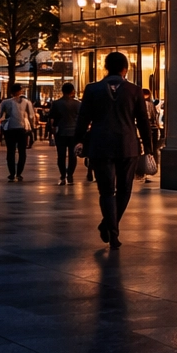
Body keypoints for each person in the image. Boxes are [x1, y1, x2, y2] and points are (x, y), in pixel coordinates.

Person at [74, 54, 154, 247]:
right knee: (125, 189)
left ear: (105, 67)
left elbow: (83, 117)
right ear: (125, 69)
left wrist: (79, 140)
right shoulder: (134, 90)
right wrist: (148, 148)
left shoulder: (92, 89)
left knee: (106, 190)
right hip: (128, 145)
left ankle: (111, 229)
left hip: (99, 144)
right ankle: (110, 227)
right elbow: (143, 120)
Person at [0, 83, 38, 181]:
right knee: (22, 152)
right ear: (20, 91)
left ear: (11, 92)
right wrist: (32, 128)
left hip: (10, 128)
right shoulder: (26, 102)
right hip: (23, 129)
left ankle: (12, 173)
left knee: (10, 151)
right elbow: (31, 116)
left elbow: (0, 113)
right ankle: (19, 173)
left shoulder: (5, 102)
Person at [49, 83, 82, 184]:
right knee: (73, 155)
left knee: (61, 155)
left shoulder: (56, 103)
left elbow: (52, 119)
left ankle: (63, 175)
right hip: (74, 132)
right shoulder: (78, 104)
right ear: (72, 91)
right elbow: (81, 118)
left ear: (62, 91)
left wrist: (52, 131)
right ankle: (70, 175)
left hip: (61, 132)